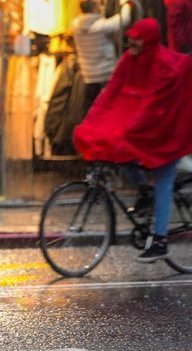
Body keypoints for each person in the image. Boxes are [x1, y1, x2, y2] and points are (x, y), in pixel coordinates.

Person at [74, 18, 192, 262]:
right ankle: (143, 190)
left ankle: (160, 241)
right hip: (145, 130)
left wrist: (127, 130)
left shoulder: (163, 65)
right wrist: (93, 124)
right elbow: (111, 93)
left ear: (148, 42)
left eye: (137, 42)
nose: (132, 46)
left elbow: (152, 105)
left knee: (163, 181)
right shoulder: (130, 59)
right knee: (120, 154)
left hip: (168, 131)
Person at [72, 0, 121, 107]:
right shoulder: (100, 26)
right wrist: (126, 3)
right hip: (104, 75)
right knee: (106, 107)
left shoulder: (76, 25)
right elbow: (123, 19)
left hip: (88, 76)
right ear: (94, 8)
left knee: (91, 108)